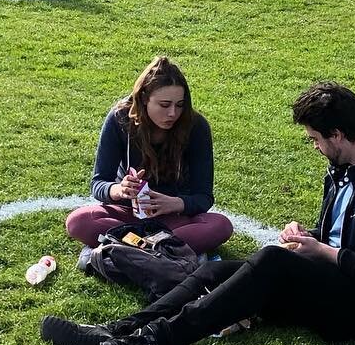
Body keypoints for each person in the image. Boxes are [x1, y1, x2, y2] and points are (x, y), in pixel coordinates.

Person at [41, 80, 355, 345]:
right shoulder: (344, 167)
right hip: (336, 285)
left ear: (338, 135)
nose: (314, 146)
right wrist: (311, 237)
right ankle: (118, 330)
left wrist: (323, 252)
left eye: (314, 139)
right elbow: (347, 237)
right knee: (215, 269)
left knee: (272, 261)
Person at [64, 56, 235, 254]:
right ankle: (163, 250)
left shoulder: (195, 127)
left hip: (173, 219)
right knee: (78, 221)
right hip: (127, 212)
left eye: (179, 105)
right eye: (164, 105)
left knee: (220, 225)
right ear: (144, 98)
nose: (173, 113)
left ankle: (129, 247)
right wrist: (119, 190)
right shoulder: (120, 119)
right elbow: (98, 183)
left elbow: (203, 197)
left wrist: (176, 203)